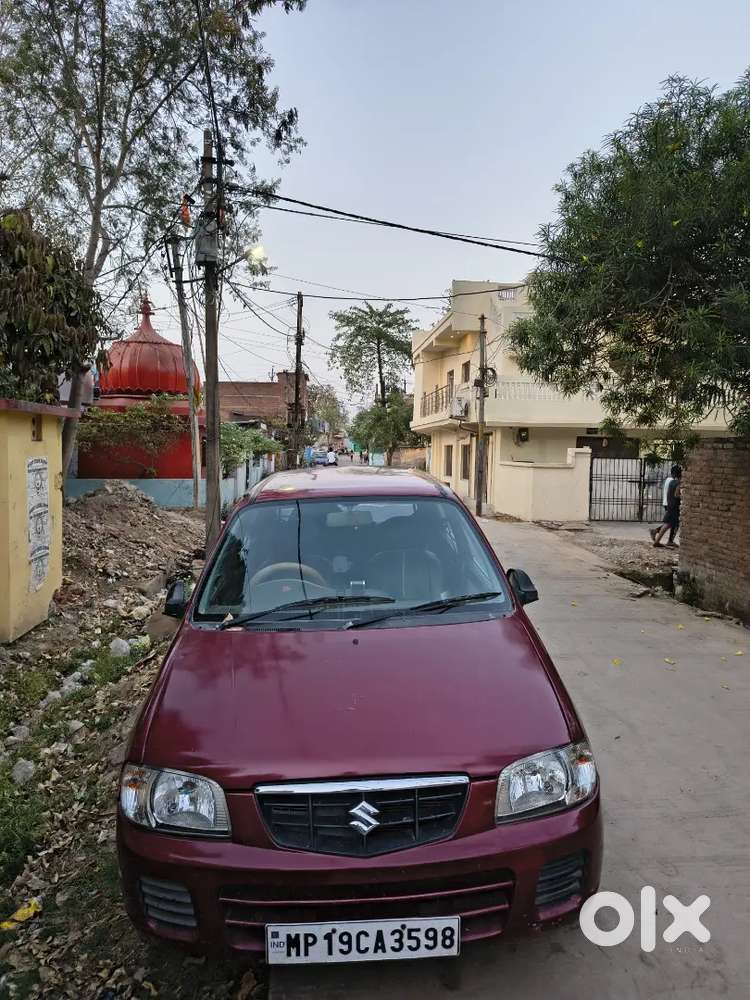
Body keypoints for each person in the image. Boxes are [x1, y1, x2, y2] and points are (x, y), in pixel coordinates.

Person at [650, 465, 682, 546]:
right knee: (670, 524)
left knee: (668, 524)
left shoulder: (670, 481)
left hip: (669, 504)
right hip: (675, 506)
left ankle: (657, 540)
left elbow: (668, 494)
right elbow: (676, 495)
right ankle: (659, 541)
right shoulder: (678, 483)